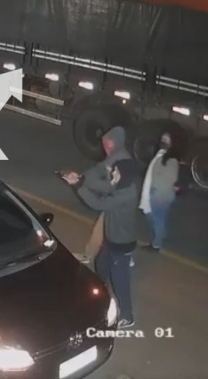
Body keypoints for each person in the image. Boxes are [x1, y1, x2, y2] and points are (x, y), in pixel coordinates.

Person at [66, 158, 139, 328]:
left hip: (120, 243)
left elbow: (97, 203)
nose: (113, 173)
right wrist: (81, 180)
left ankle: (127, 315)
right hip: (112, 237)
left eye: (116, 171)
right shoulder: (121, 185)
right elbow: (105, 187)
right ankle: (98, 295)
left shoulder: (125, 194)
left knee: (120, 280)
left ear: (124, 176)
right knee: (101, 263)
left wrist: (77, 186)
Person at [62, 126, 134, 265]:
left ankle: (115, 257)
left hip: (116, 201)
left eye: (107, 145)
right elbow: (99, 171)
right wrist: (82, 178)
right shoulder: (116, 155)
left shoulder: (119, 159)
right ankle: (119, 255)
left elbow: (104, 189)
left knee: (110, 230)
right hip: (116, 200)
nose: (105, 148)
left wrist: (80, 183)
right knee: (104, 230)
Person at [139, 132, 180, 252]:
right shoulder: (161, 154)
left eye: (167, 139)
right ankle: (161, 235)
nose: (163, 141)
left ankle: (157, 244)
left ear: (172, 143)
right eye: (162, 138)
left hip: (160, 195)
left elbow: (170, 178)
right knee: (154, 217)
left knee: (157, 218)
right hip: (156, 193)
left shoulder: (171, 159)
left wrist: (155, 189)